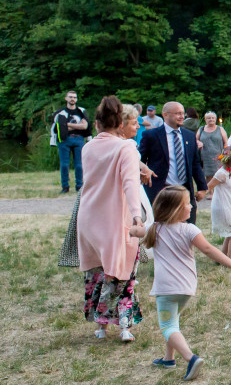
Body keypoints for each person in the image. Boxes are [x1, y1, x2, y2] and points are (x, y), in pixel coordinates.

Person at [142, 186, 231, 381]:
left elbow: (136, 231)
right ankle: (168, 358)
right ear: (175, 209)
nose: (191, 206)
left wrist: (129, 228)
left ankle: (190, 358)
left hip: (166, 289)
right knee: (173, 322)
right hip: (186, 288)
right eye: (187, 204)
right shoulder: (189, 229)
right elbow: (208, 250)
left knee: (167, 326)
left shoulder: (154, 229)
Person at [78, 96, 145, 342]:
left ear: (97, 124)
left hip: (88, 217)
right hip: (115, 218)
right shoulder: (125, 147)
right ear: (119, 124)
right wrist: (137, 217)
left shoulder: (87, 147)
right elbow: (130, 184)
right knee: (123, 273)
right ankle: (124, 327)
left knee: (98, 273)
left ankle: (101, 327)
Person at [138, 102, 208, 224]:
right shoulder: (151, 135)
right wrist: (141, 173)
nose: (182, 116)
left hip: (184, 190)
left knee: (187, 228)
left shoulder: (189, 136)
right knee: (160, 228)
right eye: (178, 113)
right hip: (161, 191)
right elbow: (140, 160)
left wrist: (202, 187)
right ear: (165, 115)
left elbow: (195, 163)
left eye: (183, 113)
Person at [54, 90, 90, 194]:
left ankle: (79, 186)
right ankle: (65, 186)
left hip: (79, 139)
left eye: (74, 97)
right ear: (66, 98)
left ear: (77, 99)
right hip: (64, 140)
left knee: (79, 164)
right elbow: (58, 128)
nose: (72, 99)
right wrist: (78, 126)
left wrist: (67, 125)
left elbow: (85, 126)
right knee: (64, 164)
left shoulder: (81, 111)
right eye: (70, 97)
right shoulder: (60, 113)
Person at [198, 112, 229, 183]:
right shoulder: (201, 129)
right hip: (205, 156)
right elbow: (195, 139)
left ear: (215, 119)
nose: (211, 119)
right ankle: (210, 192)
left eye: (213, 118)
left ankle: (219, 191)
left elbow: (226, 141)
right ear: (205, 119)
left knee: (220, 174)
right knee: (208, 175)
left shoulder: (220, 129)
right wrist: (199, 142)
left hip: (218, 156)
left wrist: (226, 151)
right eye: (209, 118)